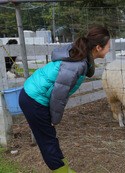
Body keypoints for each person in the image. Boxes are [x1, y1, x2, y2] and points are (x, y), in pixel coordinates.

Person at [18, 27, 110, 173]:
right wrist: (55, 117)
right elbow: (59, 94)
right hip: (34, 99)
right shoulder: (77, 65)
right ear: (98, 48)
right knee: (47, 142)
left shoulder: (81, 56)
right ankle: (63, 170)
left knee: (50, 139)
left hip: (34, 95)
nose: (109, 50)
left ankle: (65, 169)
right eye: (108, 47)